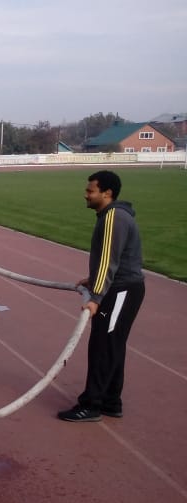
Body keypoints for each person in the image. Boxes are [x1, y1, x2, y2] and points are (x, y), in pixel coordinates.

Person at [58, 170, 145, 422]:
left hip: (121, 291)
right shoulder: (111, 215)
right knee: (111, 344)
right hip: (120, 288)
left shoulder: (113, 217)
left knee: (103, 346)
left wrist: (96, 297)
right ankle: (110, 401)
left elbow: (109, 260)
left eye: (90, 190)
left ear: (107, 193)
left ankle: (92, 405)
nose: (85, 195)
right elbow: (110, 260)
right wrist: (94, 279)